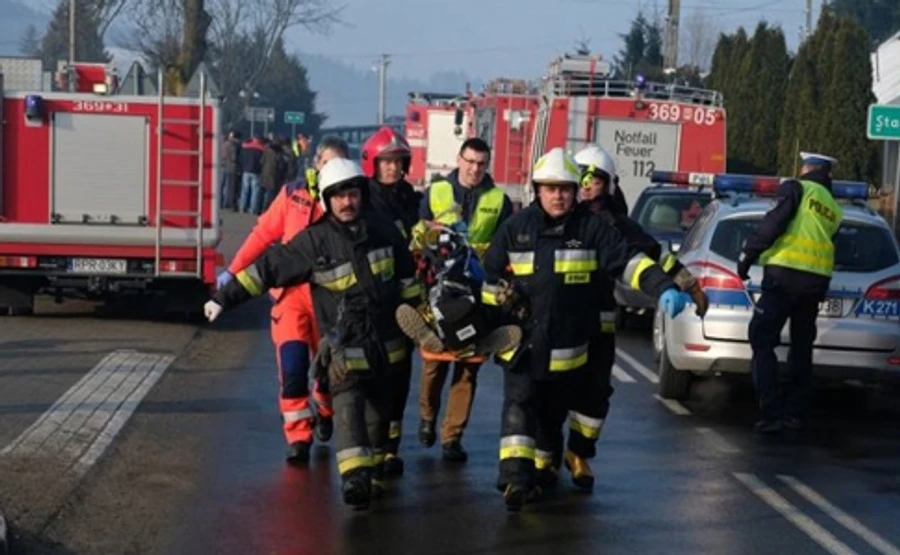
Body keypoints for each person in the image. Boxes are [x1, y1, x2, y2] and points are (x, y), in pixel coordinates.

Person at [481, 147, 690, 511]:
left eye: (565, 188)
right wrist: (497, 301)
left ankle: (550, 464)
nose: (558, 195)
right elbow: (488, 276)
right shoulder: (515, 230)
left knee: (552, 413)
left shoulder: (593, 230)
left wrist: (664, 287)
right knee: (519, 405)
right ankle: (514, 479)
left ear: (576, 191)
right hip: (521, 342)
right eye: (550, 188)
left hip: (568, 347)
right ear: (537, 190)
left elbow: (630, 262)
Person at [205, 158, 421, 510]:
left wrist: (421, 319)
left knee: (379, 418)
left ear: (361, 194)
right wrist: (224, 298)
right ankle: (354, 480)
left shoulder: (385, 230)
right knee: (348, 408)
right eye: (338, 197)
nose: (347, 202)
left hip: (388, 349)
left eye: (352, 194)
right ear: (326, 200)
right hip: (345, 353)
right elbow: (267, 269)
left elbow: (409, 280)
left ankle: (376, 469)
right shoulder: (313, 242)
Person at [217, 136, 352, 465]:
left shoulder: (348, 203)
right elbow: (264, 234)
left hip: (331, 301)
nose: (328, 171)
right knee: (292, 369)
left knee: (326, 372)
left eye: (336, 165)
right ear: (315, 162)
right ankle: (298, 436)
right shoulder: (293, 195)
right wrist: (234, 272)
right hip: (291, 297)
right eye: (325, 163)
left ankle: (325, 406)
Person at [415, 137, 513, 462]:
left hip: (478, 290)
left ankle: (452, 437)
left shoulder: (500, 200)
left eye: (481, 163)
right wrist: (434, 243)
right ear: (459, 159)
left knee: (468, 367)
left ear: (488, 165)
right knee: (434, 360)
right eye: (469, 161)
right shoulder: (437, 192)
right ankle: (427, 417)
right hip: (441, 286)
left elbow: (505, 244)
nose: (474, 168)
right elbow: (419, 233)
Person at [738, 152, 843, 435]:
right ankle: (795, 414)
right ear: (828, 174)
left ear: (805, 169)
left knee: (761, 339)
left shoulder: (796, 188)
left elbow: (774, 222)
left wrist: (748, 254)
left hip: (783, 278)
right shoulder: (834, 207)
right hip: (815, 284)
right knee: (801, 347)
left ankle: (771, 412)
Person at [239, 135, 266, 214]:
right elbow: (262, 162)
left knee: (244, 190)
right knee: (255, 191)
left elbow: (241, 159)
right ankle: (253, 209)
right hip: (256, 172)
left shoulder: (245, 148)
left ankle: (242, 207)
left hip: (246, 170)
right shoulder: (261, 150)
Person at [220, 130, 242, 210]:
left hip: (223, 165)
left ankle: (221, 203)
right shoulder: (234, 145)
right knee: (231, 187)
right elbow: (234, 157)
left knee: (222, 185)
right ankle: (229, 204)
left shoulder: (225, 143)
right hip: (232, 167)